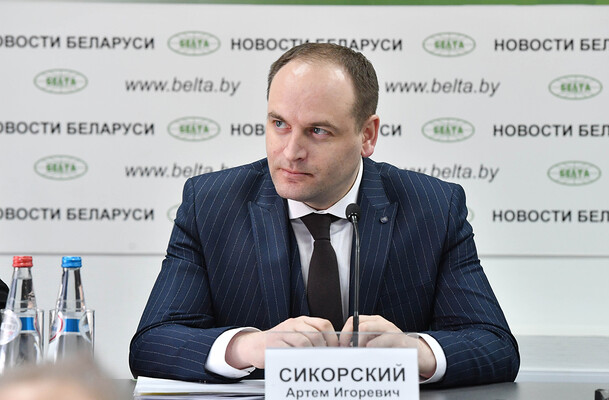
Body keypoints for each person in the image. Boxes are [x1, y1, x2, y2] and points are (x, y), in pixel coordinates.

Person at [129, 43, 519, 387]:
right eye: (279, 124)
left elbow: (495, 345)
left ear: (367, 135)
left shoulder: (433, 207)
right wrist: (249, 347)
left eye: (317, 131)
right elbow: (152, 343)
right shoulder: (211, 204)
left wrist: (416, 351)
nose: (290, 152)